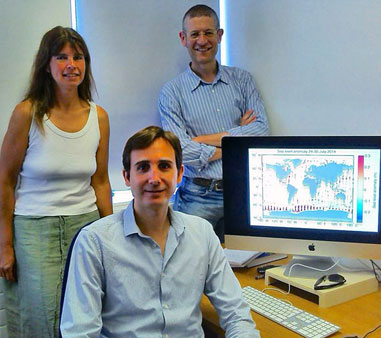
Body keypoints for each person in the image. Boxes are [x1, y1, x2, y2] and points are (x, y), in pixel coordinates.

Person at [60, 126, 260, 337]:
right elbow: (79, 332)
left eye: (164, 166)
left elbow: (237, 315)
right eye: (143, 167)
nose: (154, 178)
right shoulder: (95, 242)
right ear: (127, 177)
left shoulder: (202, 234)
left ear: (180, 173)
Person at [0, 26, 112, 337]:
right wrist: (6, 246)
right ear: (46, 64)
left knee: (85, 312)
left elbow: (100, 181)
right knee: (43, 318)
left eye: (78, 57)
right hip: (35, 230)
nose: (71, 65)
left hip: (85, 226)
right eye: (61, 57)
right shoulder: (27, 114)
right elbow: (6, 182)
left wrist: (113, 237)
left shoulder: (98, 117)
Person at [159, 5, 270, 241]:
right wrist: (236, 140)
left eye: (208, 33)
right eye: (195, 34)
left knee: (246, 266)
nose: (202, 41)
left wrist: (199, 140)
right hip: (197, 196)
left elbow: (261, 130)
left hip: (241, 191)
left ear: (219, 35)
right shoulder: (172, 92)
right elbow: (180, 149)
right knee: (190, 266)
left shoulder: (242, 80)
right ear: (183, 38)